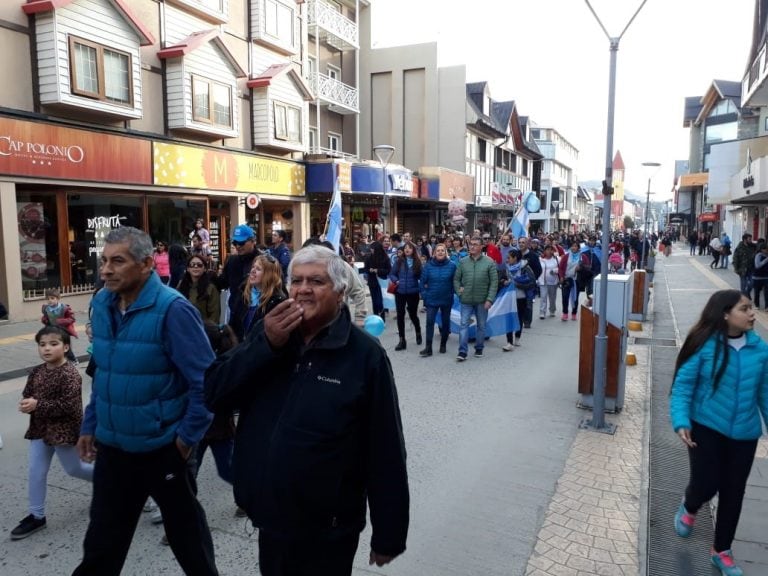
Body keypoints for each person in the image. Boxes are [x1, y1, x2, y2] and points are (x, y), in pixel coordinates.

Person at [204, 245, 409, 576]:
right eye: (296, 281)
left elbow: (386, 450)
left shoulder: (365, 356)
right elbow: (214, 393)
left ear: (340, 291)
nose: (303, 290)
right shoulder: (270, 333)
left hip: (329, 529)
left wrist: (389, 535)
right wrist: (264, 345)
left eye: (316, 281)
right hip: (270, 518)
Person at [71, 226, 218, 576]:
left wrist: (182, 443)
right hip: (113, 449)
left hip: (161, 449)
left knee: (188, 541)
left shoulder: (173, 310)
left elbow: (207, 385)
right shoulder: (103, 303)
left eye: (117, 261)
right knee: (101, 547)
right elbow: (105, 374)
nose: (105, 269)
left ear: (147, 264)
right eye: (104, 261)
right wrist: (91, 424)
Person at [670, 290, 768, 576]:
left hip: (745, 434)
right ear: (725, 314)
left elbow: (764, 392)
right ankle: (690, 506)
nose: (752, 314)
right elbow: (683, 387)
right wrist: (681, 420)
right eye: (745, 308)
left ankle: (721, 550)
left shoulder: (759, 349)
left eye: (751, 308)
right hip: (705, 427)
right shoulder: (704, 345)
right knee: (706, 484)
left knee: (733, 492)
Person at [10, 326, 94, 540]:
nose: (47, 348)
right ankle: (37, 515)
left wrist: (38, 405)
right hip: (40, 429)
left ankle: (113, 480)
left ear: (66, 347)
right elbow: (29, 392)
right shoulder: (37, 371)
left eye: (53, 344)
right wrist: (27, 403)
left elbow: (69, 407)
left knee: (75, 469)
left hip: (62, 433)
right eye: (42, 344)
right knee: (35, 471)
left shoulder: (70, 374)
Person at [453, 237, 498, 361]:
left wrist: (490, 299)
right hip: (466, 300)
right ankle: (462, 351)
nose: (472, 247)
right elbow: (456, 279)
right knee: (463, 325)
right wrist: (459, 292)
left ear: (481, 247)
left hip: (482, 300)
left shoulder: (489, 262)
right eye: (471, 244)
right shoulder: (463, 262)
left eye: (475, 244)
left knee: (481, 325)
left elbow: (494, 282)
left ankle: (479, 347)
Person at [230, 254, 287, 341]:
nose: (253, 271)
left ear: (269, 275)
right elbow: (233, 326)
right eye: (253, 267)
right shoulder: (243, 293)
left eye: (258, 269)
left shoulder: (277, 301)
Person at [214, 223, 260, 323]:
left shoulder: (264, 261)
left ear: (253, 241)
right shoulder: (232, 261)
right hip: (235, 315)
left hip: (256, 315)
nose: (238, 246)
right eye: (235, 243)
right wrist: (209, 276)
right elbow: (222, 283)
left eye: (241, 243)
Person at [419, 243, 456, 356]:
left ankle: (443, 344)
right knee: (429, 322)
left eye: (442, 250)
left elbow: (457, 282)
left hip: (446, 299)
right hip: (432, 300)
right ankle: (428, 348)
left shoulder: (452, 266)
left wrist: (454, 293)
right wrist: (425, 296)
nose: (440, 252)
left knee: (445, 323)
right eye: (438, 250)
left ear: (446, 253)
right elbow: (422, 283)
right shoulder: (428, 266)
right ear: (434, 253)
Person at [389, 241, 423, 351]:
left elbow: (422, 277)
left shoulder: (418, 262)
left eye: (409, 248)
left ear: (413, 250)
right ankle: (402, 340)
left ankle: (418, 331)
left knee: (413, 314)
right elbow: (392, 274)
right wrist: (396, 280)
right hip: (400, 292)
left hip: (413, 292)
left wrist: (420, 286)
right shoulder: (399, 261)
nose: (407, 249)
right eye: (405, 248)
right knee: (400, 315)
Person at [500, 249, 536, 350]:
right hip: (509, 297)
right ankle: (509, 342)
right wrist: (504, 282)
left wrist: (517, 284)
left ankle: (517, 337)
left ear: (515, 258)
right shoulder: (506, 268)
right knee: (508, 319)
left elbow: (532, 282)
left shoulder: (525, 267)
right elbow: (501, 279)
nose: (507, 260)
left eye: (509, 258)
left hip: (521, 298)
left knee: (519, 318)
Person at [177, 254, 221, 324]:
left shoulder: (210, 288)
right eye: (192, 265)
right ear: (188, 269)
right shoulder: (181, 286)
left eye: (199, 265)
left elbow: (214, 316)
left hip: (203, 330)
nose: (196, 267)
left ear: (205, 269)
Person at [41, 288, 78, 364]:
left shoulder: (64, 308)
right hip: (53, 330)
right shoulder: (46, 309)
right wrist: (44, 320)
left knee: (65, 346)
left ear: (58, 299)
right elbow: (46, 317)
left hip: (64, 330)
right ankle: (59, 360)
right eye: (48, 299)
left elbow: (72, 318)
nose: (50, 300)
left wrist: (61, 321)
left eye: (52, 298)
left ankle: (73, 360)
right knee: (55, 345)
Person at [364, 241, 392, 321]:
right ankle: (375, 318)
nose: (371, 250)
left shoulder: (385, 257)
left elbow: (388, 270)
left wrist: (378, 270)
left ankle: (382, 319)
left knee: (381, 301)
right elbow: (365, 269)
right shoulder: (369, 258)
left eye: (372, 249)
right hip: (372, 282)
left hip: (382, 282)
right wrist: (370, 270)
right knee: (374, 301)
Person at [559, 241, 582, 321]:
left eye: (575, 246)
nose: (574, 247)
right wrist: (561, 277)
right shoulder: (566, 256)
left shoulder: (582, 257)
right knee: (565, 297)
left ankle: (574, 313)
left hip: (576, 280)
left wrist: (580, 268)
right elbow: (561, 267)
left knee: (575, 297)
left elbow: (587, 266)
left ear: (578, 248)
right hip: (566, 279)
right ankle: (565, 313)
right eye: (572, 246)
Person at [538, 244, 560, 318]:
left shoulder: (556, 259)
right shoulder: (540, 259)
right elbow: (537, 269)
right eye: (547, 249)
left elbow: (561, 268)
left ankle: (552, 310)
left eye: (550, 250)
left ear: (552, 251)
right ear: (544, 251)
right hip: (543, 282)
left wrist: (555, 271)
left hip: (553, 282)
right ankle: (542, 312)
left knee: (552, 298)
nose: (548, 251)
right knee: (543, 297)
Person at [753, 242, 768, 310]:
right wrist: (766, 260)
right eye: (765, 249)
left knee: (767, 293)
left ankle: (767, 306)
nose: (766, 250)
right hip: (757, 277)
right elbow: (757, 265)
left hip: (766, 277)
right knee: (757, 292)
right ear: (761, 249)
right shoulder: (758, 255)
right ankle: (756, 305)